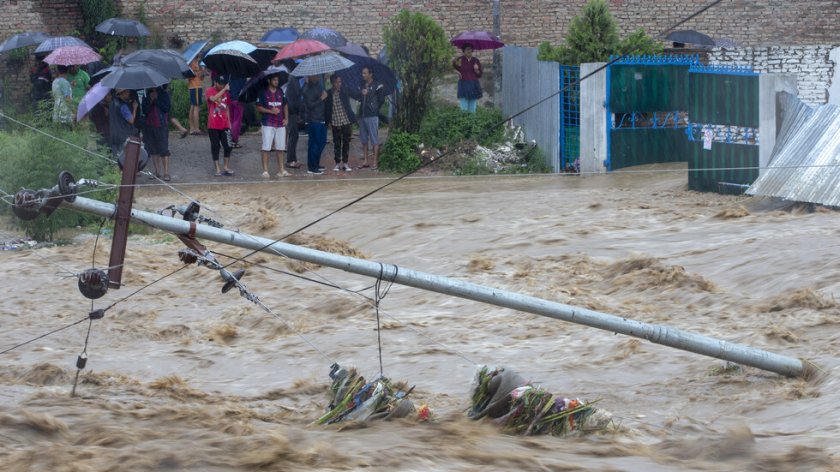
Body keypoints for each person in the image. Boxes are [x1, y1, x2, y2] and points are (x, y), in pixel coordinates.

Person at [255, 73, 289, 178]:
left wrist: (286, 118)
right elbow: (259, 107)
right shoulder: (263, 93)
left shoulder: (280, 92)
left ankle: (281, 170)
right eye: (274, 80)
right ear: (269, 81)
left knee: (280, 148)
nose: (276, 82)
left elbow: (285, 104)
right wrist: (271, 111)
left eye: (277, 80)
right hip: (268, 123)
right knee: (266, 148)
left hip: (280, 124)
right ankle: (265, 171)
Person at [354, 66, 386, 169]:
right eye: (362, 73)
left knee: (374, 139)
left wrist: (374, 108)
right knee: (364, 139)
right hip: (362, 115)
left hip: (372, 116)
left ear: (370, 74)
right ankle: (366, 161)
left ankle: (375, 162)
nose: (363, 75)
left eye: (365, 73)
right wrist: (361, 93)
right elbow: (358, 97)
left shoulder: (378, 85)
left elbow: (381, 100)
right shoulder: (362, 85)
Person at [325, 74, 355, 172]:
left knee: (346, 142)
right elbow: (327, 109)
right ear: (332, 83)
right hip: (335, 121)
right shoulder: (328, 93)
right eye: (337, 82)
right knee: (337, 143)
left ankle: (345, 163)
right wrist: (328, 121)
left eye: (340, 82)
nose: (339, 84)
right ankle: (337, 163)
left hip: (346, 120)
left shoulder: (344, 90)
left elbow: (355, 94)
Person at [142, 86, 172, 181]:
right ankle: (157, 171)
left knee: (164, 149)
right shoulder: (146, 95)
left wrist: (157, 99)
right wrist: (151, 101)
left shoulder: (164, 94)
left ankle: (166, 172)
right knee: (153, 150)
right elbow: (145, 111)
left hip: (161, 125)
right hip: (149, 125)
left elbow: (166, 108)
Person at [206, 74, 234, 176]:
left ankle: (226, 167)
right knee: (215, 146)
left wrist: (229, 122)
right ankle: (217, 169)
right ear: (215, 82)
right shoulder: (209, 90)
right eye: (220, 84)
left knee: (228, 146)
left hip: (224, 123)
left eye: (223, 84)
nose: (221, 86)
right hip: (213, 124)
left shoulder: (226, 93)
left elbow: (226, 107)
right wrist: (224, 90)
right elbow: (213, 99)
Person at [302, 74, 327, 175]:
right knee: (314, 144)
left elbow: (322, 98)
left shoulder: (319, 85)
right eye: (316, 75)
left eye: (318, 75)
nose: (318, 76)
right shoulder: (307, 89)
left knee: (322, 142)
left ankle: (316, 164)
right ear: (310, 76)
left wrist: (324, 97)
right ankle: (311, 167)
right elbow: (310, 105)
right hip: (313, 119)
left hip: (321, 118)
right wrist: (321, 98)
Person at [283, 62, 303, 169]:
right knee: (293, 135)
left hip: (293, 111)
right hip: (292, 112)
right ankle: (290, 160)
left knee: (295, 135)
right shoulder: (293, 79)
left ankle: (293, 158)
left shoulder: (294, 79)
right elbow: (297, 95)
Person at [452, 43, 482, 113]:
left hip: (473, 85)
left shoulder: (476, 60)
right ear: (463, 51)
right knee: (464, 108)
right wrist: (456, 71)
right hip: (463, 85)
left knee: (472, 109)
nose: (469, 51)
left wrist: (477, 70)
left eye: (470, 49)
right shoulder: (459, 60)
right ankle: (464, 122)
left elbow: (479, 75)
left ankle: (472, 122)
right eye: (467, 49)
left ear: (472, 51)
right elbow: (450, 66)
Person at [109, 89, 139, 157]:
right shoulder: (123, 106)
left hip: (114, 134)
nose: (129, 93)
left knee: (116, 158)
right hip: (123, 136)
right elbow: (131, 120)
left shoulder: (112, 103)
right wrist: (135, 108)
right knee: (125, 159)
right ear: (122, 93)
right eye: (127, 92)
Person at [187, 58, 205, 135]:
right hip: (195, 87)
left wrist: (202, 72)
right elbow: (190, 76)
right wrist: (201, 71)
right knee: (196, 107)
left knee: (193, 107)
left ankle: (192, 128)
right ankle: (196, 129)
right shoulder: (191, 62)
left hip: (196, 86)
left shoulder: (197, 62)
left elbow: (200, 77)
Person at [229, 77, 246, 148]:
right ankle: (234, 140)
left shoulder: (230, 74)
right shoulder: (242, 76)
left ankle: (228, 139)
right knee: (237, 121)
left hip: (229, 99)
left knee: (231, 120)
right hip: (239, 100)